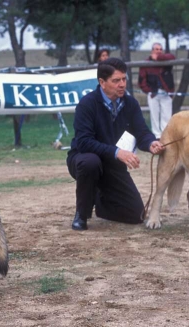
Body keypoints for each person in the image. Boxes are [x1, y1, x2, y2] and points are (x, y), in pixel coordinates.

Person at [67, 57, 165, 231]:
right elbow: (84, 142)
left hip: (113, 166)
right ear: (102, 82)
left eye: (124, 79)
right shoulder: (87, 104)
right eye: (116, 80)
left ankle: (100, 201)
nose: (122, 84)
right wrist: (117, 152)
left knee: (136, 215)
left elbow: (141, 132)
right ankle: (81, 214)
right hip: (84, 161)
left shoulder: (131, 104)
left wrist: (151, 143)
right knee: (90, 162)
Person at [138, 43, 176, 139]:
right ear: (152, 50)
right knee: (154, 116)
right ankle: (157, 136)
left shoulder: (166, 60)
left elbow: (172, 57)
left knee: (167, 116)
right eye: (156, 49)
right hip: (153, 93)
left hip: (166, 92)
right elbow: (141, 80)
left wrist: (159, 58)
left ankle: (166, 136)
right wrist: (148, 90)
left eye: (160, 49)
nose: (158, 51)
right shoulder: (146, 62)